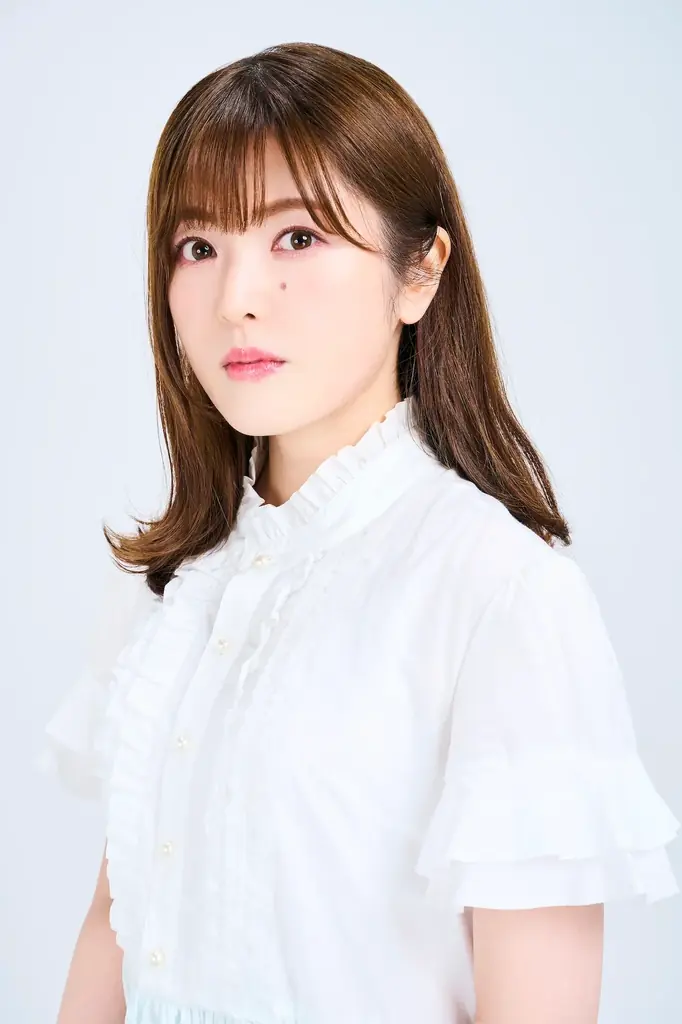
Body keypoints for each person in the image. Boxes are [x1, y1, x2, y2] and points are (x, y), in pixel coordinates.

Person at [39, 40, 679, 1024]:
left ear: (419, 272)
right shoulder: (170, 583)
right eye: (198, 247)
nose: (236, 297)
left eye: (297, 238)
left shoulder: (497, 589)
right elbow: (117, 922)